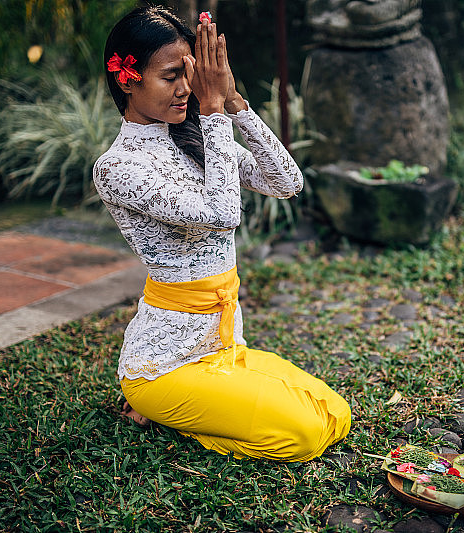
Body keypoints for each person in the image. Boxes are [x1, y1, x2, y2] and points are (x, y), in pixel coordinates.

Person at [93, 5, 351, 462]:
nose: (187, 89)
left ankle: (183, 411)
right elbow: (223, 213)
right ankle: (158, 408)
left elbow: (287, 182)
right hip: (163, 366)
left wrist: (233, 104)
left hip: (225, 346)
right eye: (171, 75)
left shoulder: (194, 138)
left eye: (191, 73)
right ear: (127, 78)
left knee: (335, 413)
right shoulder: (119, 167)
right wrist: (212, 112)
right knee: (307, 435)